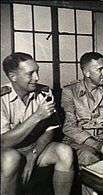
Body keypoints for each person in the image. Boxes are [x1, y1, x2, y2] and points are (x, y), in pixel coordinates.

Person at [1, 52, 74, 195]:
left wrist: (33, 155)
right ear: (12, 76)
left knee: (65, 152)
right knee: (11, 158)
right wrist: (37, 116)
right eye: (30, 74)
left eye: (37, 72)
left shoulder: (44, 93)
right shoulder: (2, 97)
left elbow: (50, 130)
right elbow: (4, 142)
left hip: (34, 147)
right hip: (7, 150)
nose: (37, 78)